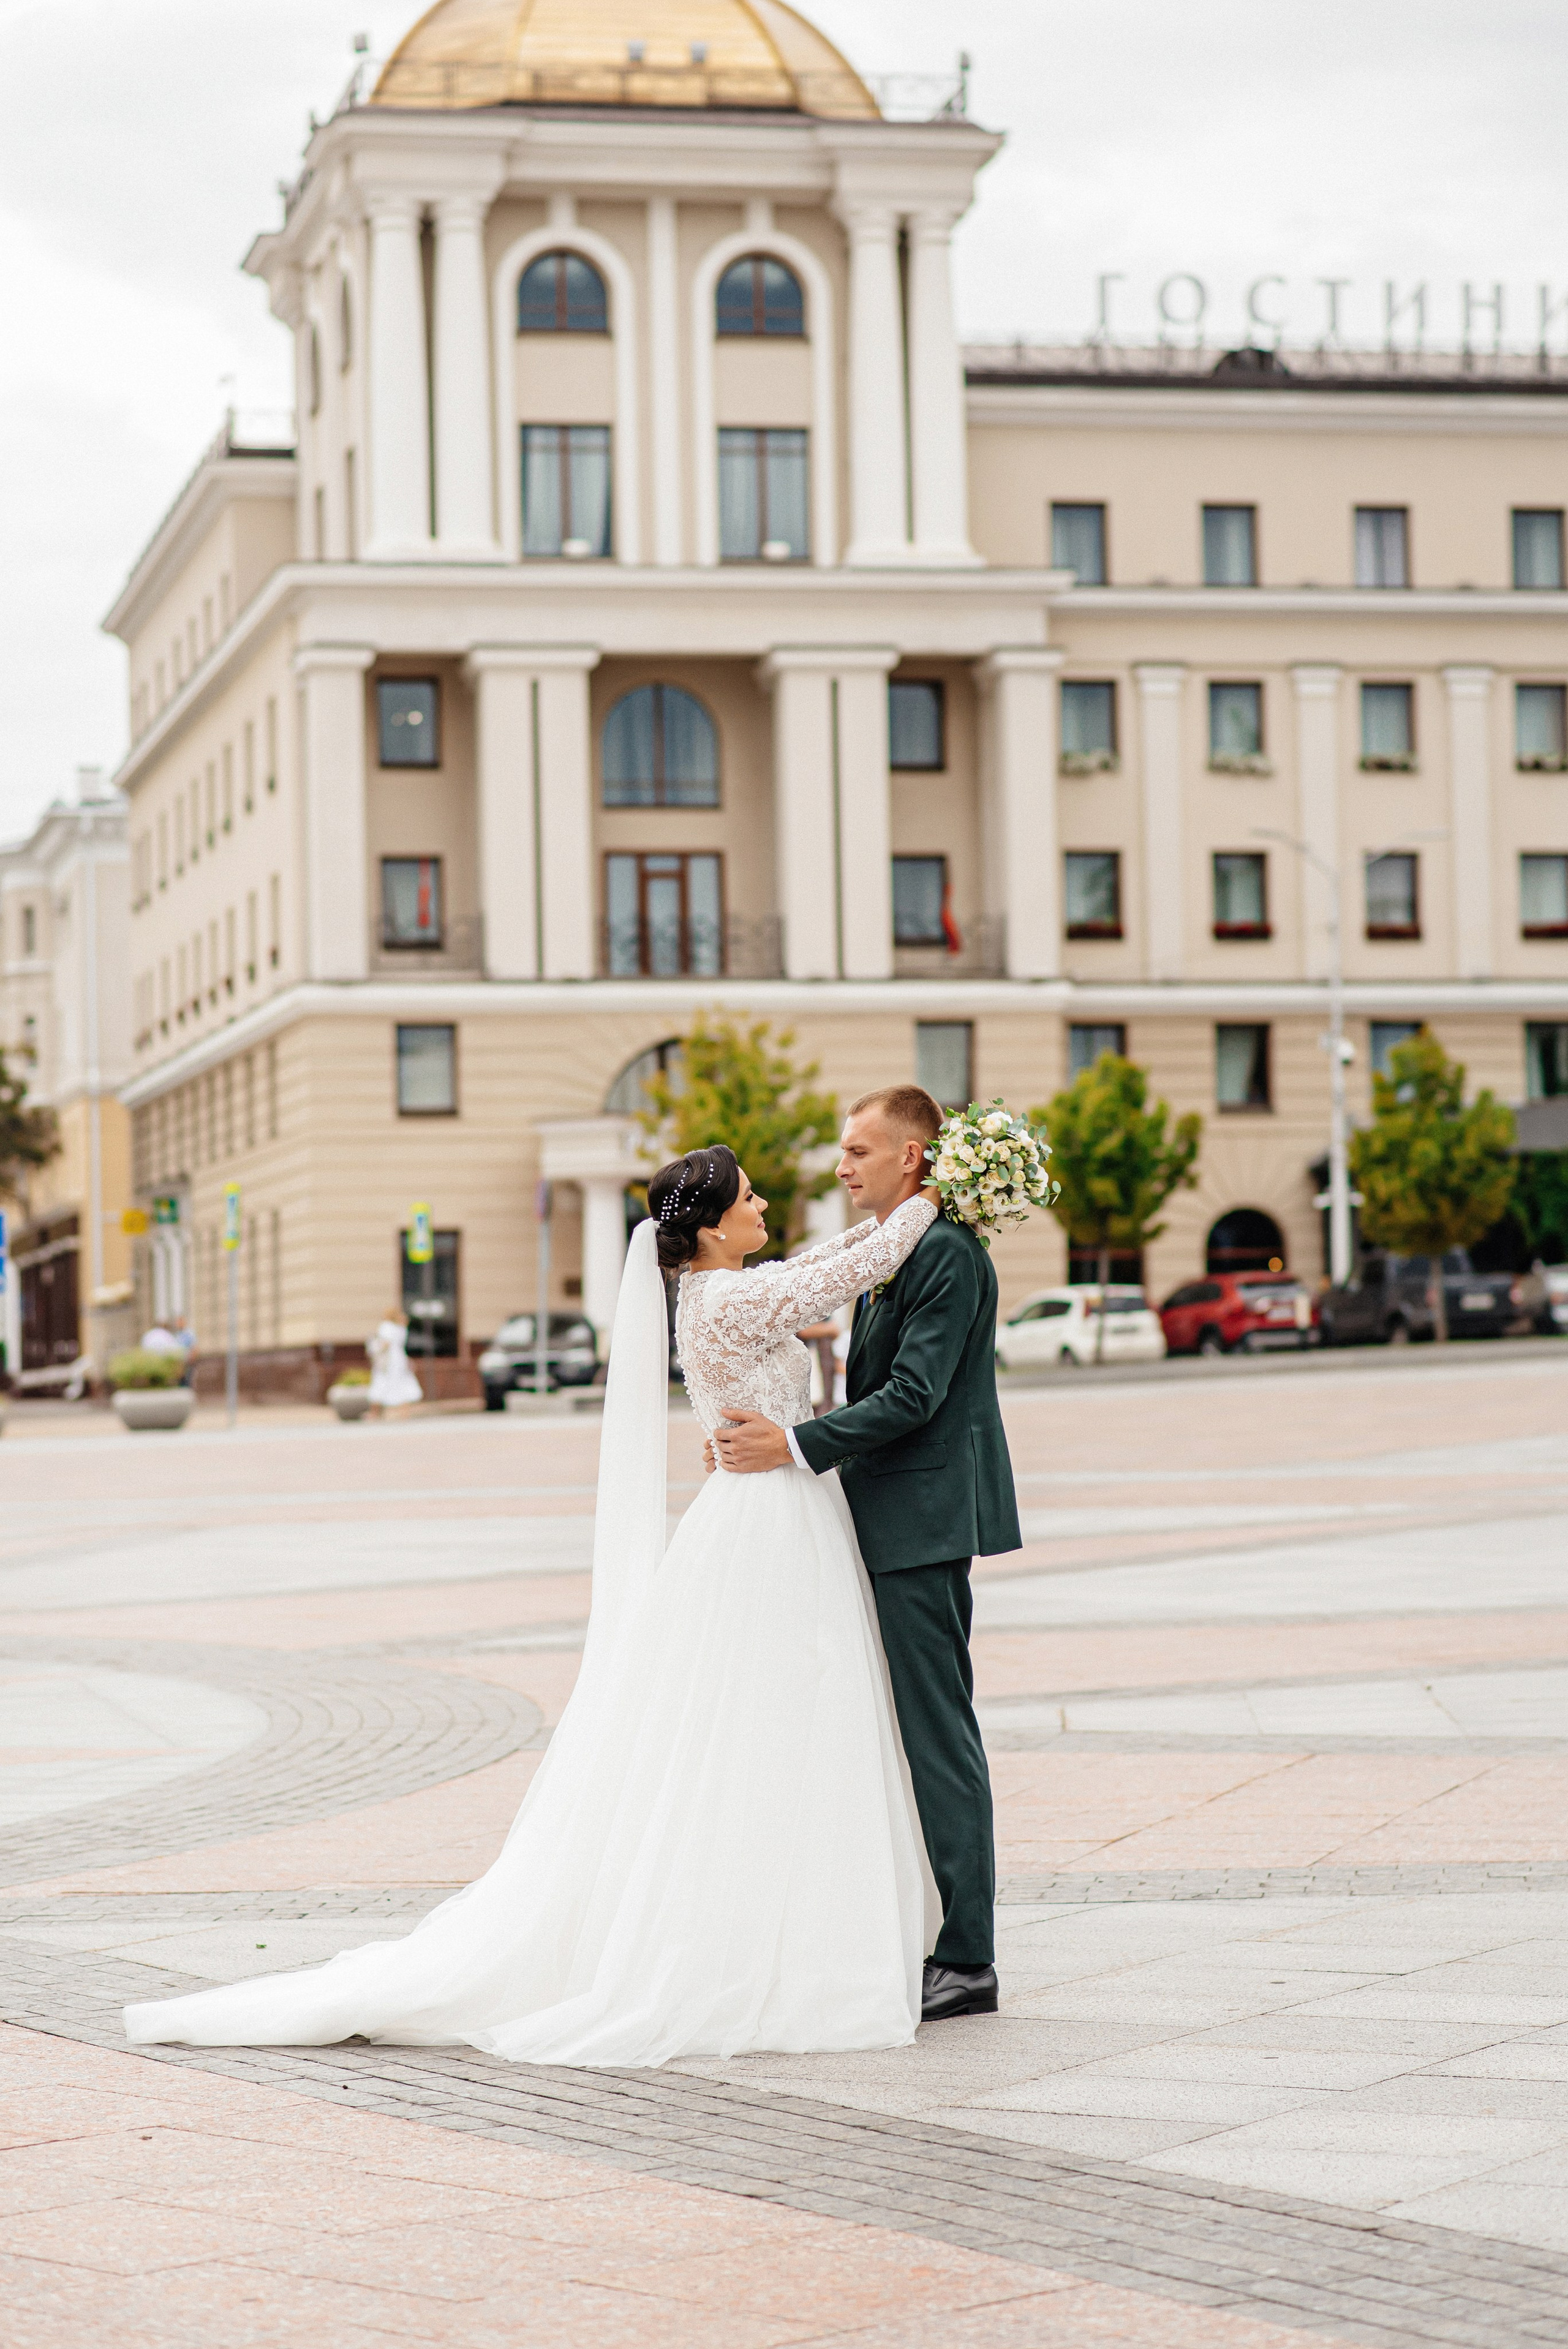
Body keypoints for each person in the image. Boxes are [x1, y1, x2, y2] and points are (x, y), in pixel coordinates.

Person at [124, 1145, 941, 2064]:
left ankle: (785, 1919)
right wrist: (941, 1193)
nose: (762, 1207)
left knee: (774, 1716)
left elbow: (823, 1259)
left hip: (767, 1507)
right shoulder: (728, 1298)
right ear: (714, 1227)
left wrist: (892, 1212)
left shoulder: (718, 1288)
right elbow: (852, 1269)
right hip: (767, 1523)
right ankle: (772, 1936)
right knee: (775, 1716)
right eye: (749, 1198)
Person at [711, 1085, 1021, 2023]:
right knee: (902, 1727)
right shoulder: (898, 1247)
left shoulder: (946, 1253)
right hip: (890, 1515)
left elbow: (915, 1394)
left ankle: (967, 1956)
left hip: (923, 1522)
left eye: (858, 1149)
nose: (842, 1164)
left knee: (937, 1732)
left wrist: (796, 1444)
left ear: (911, 1156)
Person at [366, 1310, 422, 1417]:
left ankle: (375, 1413)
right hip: (400, 1359)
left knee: (381, 1382)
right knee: (402, 1383)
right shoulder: (402, 1328)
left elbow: (385, 1344)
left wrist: (373, 1349)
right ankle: (404, 1412)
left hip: (389, 1361)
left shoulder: (386, 1326)